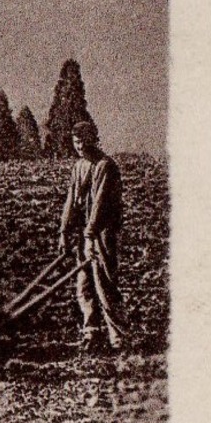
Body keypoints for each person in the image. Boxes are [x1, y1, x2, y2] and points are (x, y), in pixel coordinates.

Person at [57, 119, 126, 351]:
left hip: (102, 235)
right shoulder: (79, 167)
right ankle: (91, 334)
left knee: (104, 284)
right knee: (83, 285)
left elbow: (101, 203)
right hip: (83, 235)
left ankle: (118, 338)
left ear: (93, 140)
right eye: (76, 142)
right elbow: (71, 200)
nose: (80, 146)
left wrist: (90, 233)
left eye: (83, 141)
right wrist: (64, 232)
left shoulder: (105, 166)